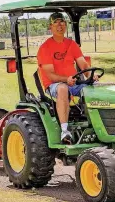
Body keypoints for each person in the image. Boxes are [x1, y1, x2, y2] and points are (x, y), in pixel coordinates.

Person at [37, 12, 98, 144]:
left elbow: (83, 64)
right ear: (50, 27)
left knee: (97, 89)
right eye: (56, 23)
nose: (60, 25)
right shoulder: (45, 48)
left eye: (62, 22)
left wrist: (91, 76)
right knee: (63, 88)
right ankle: (65, 131)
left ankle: (97, 125)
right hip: (54, 85)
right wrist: (66, 79)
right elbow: (50, 75)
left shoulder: (71, 44)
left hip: (74, 83)